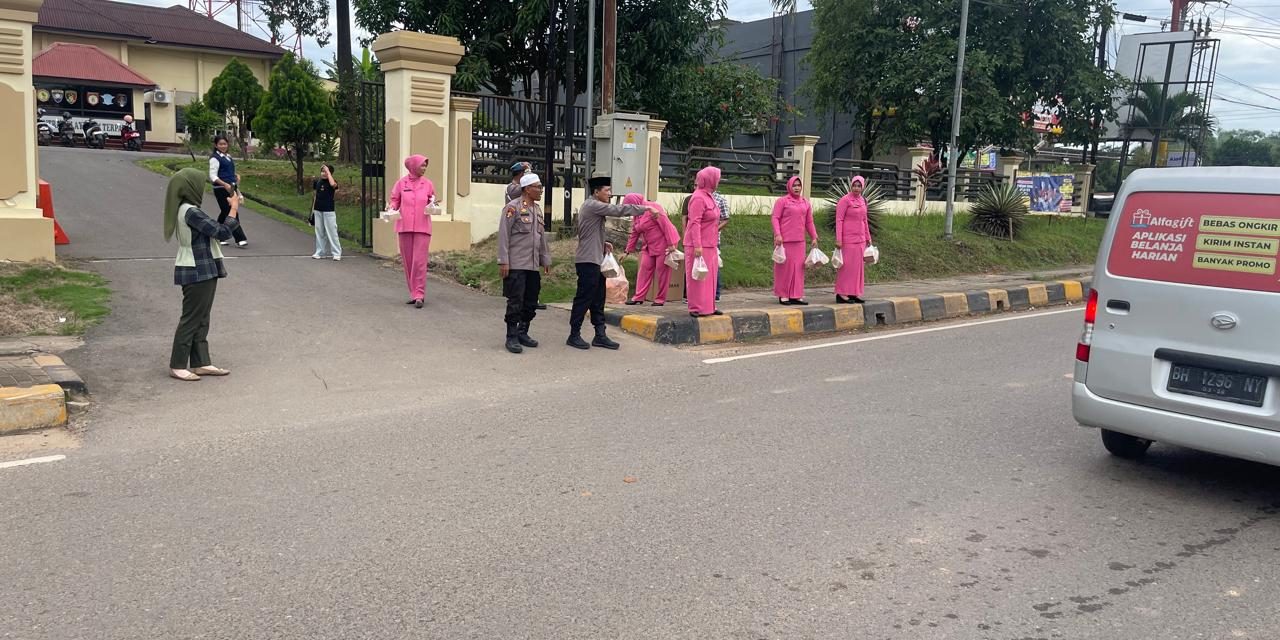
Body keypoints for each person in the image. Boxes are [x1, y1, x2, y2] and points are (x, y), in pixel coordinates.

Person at [164, 168, 240, 381]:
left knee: (202, 317)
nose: (202, 188)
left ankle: (200, 362)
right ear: (190, 187)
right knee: (192, 317)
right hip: (197, 268)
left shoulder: (186, 209)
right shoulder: (190, 211)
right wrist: (233, 208)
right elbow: (222, 232)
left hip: (202, 267)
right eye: (199, 184)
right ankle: (177, 364)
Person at [567, 176, 654, 350]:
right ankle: (573, 335)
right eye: (607, 190)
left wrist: (603, 242)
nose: (610, 193)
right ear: (596, 192)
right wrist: (645, 209)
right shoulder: (592, 205)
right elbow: (618, 210)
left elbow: (590, 232)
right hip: (587, 261)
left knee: (598, 299)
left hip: (596, 259)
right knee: (584, 298)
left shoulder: (594, 208)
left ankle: (600, 335)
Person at [497, 173, 552, 354]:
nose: (541, 190)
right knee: (515, 301)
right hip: (516, 264)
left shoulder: (537, 210)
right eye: (538, 187)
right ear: (527, 189)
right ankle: (511, 335)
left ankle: (523, 331)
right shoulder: (512, 208)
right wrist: (503, 261)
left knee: (530, 302)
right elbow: (504, 236)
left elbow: (541, 237)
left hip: (532, 265)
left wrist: (545, 259)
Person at [389, 154, 436, 308]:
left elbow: (433, 200)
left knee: (419, 262)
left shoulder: (428, 184)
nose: (424, 169)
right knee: (408, 262)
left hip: (422, 227)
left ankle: (419, 294)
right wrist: (391, 208)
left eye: (425, 166)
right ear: (413, 166)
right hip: (404, 226)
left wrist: (433, 206)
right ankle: (414, 292)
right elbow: (394, 200)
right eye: (422, 165)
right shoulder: (401, 184)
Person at [622, 193, 679, 306]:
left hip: (664, 243)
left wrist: (671, 244)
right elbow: (635, 232)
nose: (629, 211)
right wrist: (627, 250)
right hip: (649, 245)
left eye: (629, 207)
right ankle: (638, 297)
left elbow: (666, 225)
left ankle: (660, 299)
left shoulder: (653, 208)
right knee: (644, 269)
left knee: (662, 271)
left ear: (634, 203)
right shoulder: (637, 213)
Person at [771, 176, 819, 306]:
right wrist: (778, 234)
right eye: (794, 185)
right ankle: (783, 295)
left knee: (799, 269)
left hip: (799, 241)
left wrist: (814, 236)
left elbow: (809, 222)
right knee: (784, 268)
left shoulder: (805, 203)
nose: (797, 187)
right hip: (784, 241)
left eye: (799, 185)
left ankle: (796, 295)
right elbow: (775, 218)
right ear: (789, 186)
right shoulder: (782, 201)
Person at [684, 166, 724, 318]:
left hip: (711, 243)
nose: (718, 181)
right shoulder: (698, 197)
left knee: (710, 278)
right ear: (710, 179)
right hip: (698, 244)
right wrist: (697, 245)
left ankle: (709, 306)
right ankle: (696, 307)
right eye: (717, 178)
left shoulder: (710, 196)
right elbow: (694, 222)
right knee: (697, 277)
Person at [835, 175, 872, 304]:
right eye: (854, 185)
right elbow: (839, 220)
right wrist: (839, 239)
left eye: (859, 186)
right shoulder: (844, 200)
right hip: (848, 239)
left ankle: (854, 292)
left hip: (860, 239)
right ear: (851, 186)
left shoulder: (863, 200)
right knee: (847, 267)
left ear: (863, 187)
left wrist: (868, 237)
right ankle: (842, 293)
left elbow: (864, 220)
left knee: (858, 268)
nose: (856, 188)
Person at [209, 135, 248, 248]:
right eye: (220, 144)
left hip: (231, 188)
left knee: (225, 212)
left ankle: (218, 235)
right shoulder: (214, 158)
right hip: (221, 189)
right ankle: (240, 238)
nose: (223, 146)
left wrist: (235, 177)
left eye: (224, 144)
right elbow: (213, 176)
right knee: (231, 212)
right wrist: (224, 184)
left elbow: (229, 172)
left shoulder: (228, 157)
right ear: (216, 145)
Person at [311, 163, 341, 261]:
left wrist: (328, 173)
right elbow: (315, 195)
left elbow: (333, 185)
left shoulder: (332, 181)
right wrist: (313, 211)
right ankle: (320, 252)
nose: (323, 173)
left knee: (332, 231)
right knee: (319, 232)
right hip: (318, 209)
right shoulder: (318, 182)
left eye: (325, 172)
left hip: (329, 210)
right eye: (322, 171)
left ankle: (336, 253)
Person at [714, 190, 730, 301]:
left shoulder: (719, 199)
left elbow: (726, 219)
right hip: (698, 239)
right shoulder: (696, 197)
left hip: (714, 239)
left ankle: (716, 293)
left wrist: (714, 229)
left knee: (715, 266)